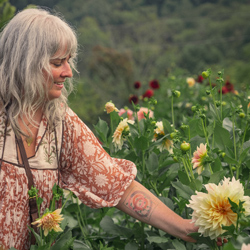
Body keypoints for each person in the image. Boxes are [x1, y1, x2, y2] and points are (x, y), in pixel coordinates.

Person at [0, 7, 198, 250]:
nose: (68, 72)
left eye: (68, 61)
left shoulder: (59, 122)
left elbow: (117, 185)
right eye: (57, 63)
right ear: (26, 62)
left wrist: (185, 228)